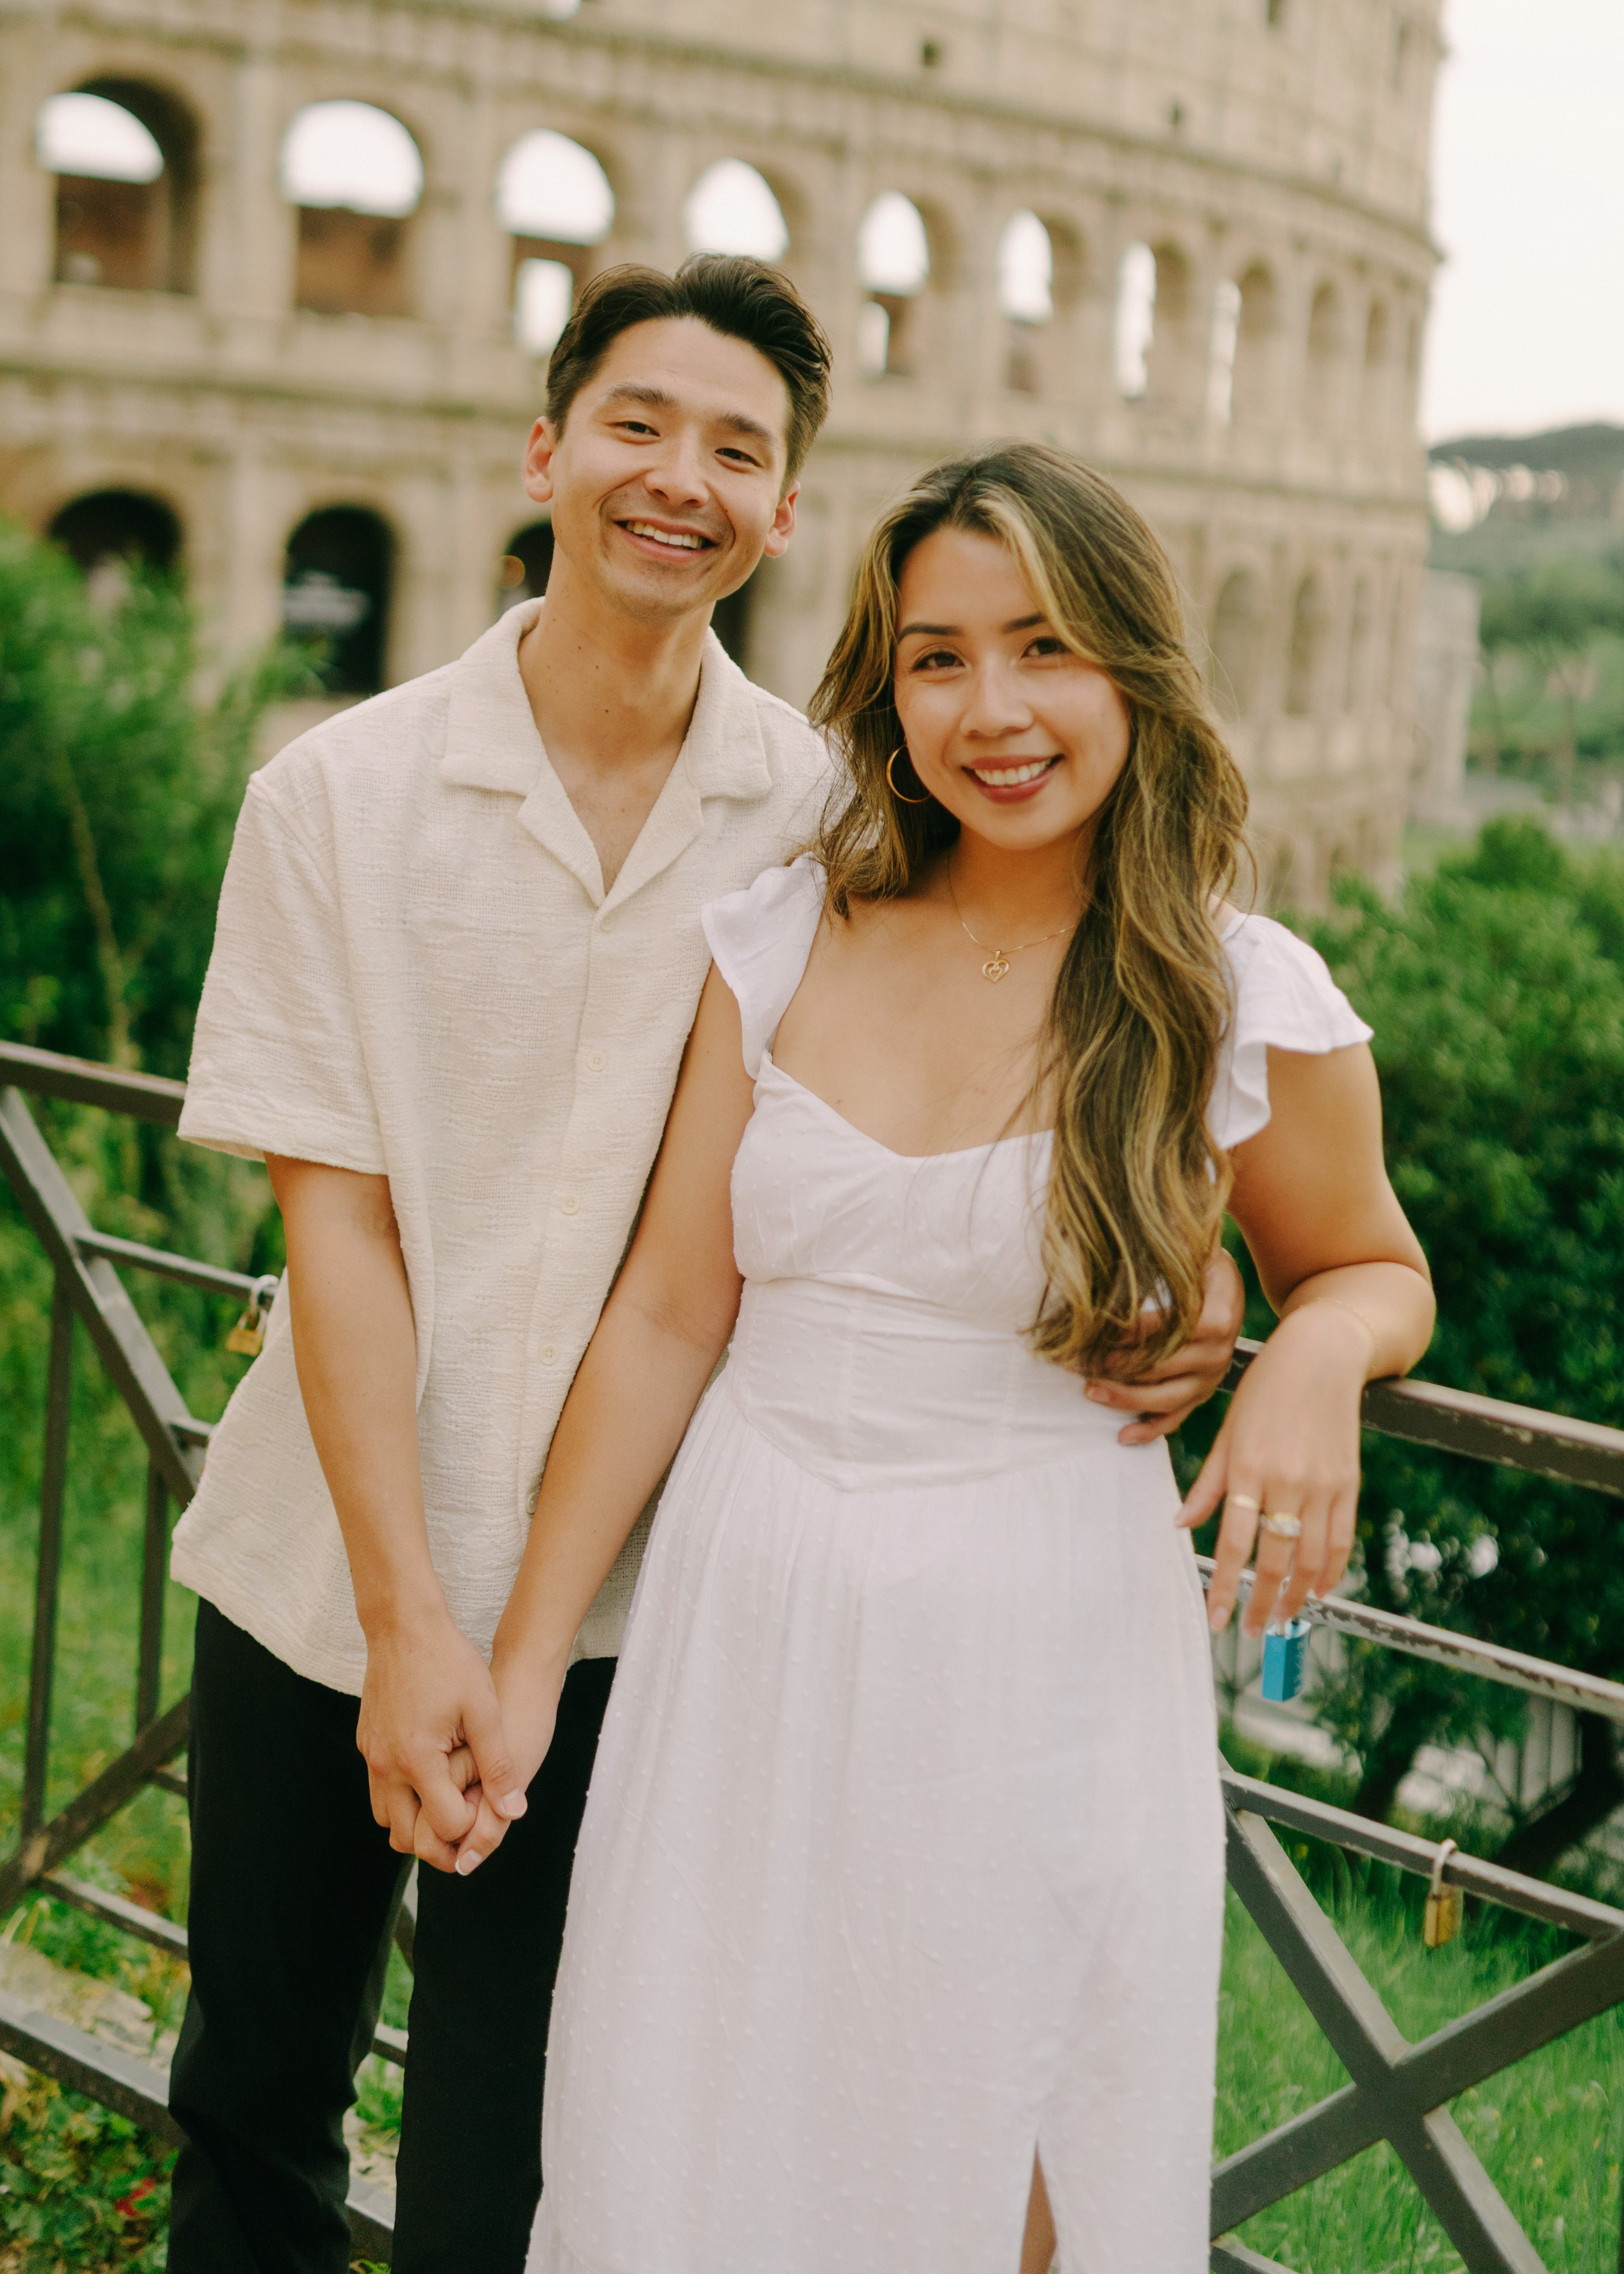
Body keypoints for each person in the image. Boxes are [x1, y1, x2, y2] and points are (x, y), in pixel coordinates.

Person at [165, 265, 1242, 2274]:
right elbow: (341, 1226)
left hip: (636, 1619)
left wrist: (1205, 1282)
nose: (681, 478)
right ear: (546, 448)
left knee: (521, 2154)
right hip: (328, 1568)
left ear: (785, 512)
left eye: (738, 449)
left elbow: (1024, 1049)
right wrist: (412, 1625)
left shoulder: (838, 825)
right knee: (253, 2109)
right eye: (639, 425)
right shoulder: (334, 793)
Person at [449, 445, 1437, 2274]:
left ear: (1136, 668)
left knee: (1012, 2131)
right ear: (886, 690)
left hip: (1038, 1643)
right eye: (936, 659)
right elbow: (671, 1315)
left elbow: (1373, 1261)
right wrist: (520, 1665)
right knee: (700, 2116)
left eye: (1045, 648)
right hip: (747, 1622)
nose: (993, 709)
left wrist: (1313, 1350)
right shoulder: (780, 937)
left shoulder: (1239, 995)